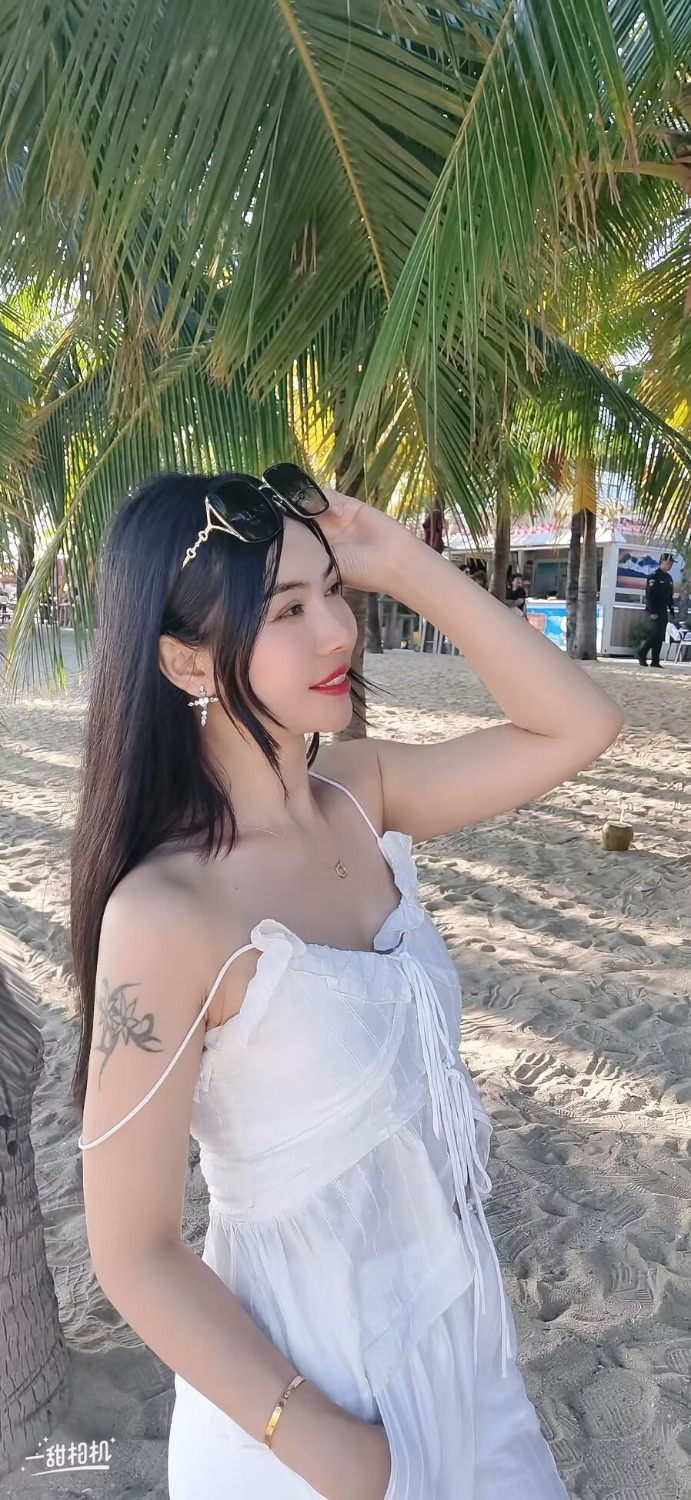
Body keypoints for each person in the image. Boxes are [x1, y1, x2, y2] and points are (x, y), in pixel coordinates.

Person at [73, 466, 623, 1500]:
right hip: (302, 1403)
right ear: (185, 661)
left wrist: (400, 560)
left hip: (463, 1353)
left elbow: (578, 726)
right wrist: (316, 1437)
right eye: (287, 610)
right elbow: (132, 1249)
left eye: (333, 592)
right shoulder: (167, 912)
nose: (337, 632)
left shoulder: (361, 793)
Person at [638, 553, 675, 668]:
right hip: (655, 608)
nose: (670, 565)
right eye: (668, 563)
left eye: (671, 564)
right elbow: (649, 595)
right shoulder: (654, 576)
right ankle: (642, 652)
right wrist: (652, 611)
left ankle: (655, 660)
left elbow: (669, 596)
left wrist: (672, 609)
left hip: (663, 609)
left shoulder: (668, 577)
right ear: (662, 562)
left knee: (660, 635)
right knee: (656, 634)